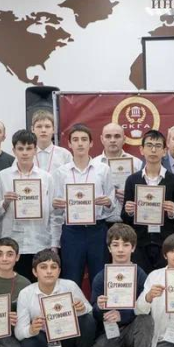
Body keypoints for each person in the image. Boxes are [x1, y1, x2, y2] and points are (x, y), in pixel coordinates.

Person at [15, 248, 97, 347]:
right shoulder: (25, 293)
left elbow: (90, 311)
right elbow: (19, 332)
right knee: (27, 343)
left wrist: (81, 308)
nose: (49, 271)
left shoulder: (70, 286)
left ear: (59, 271)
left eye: (53, 267)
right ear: (34, 272)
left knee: (88, 321)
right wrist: (31, 329)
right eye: (43, 267)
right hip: (45, 340)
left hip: (68, 336)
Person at [87, 224, 152, 347]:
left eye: (126, 245)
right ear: (109, 248)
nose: (121, 250)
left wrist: (122, 315)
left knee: (146, 319)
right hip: (109, 330)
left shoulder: (140, 275)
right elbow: (94, 314)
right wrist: (100, 307)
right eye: (115, 245)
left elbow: (145, 307)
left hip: (132, 328)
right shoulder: (101, 277)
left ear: (133, 248)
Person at [54, 124, 115, 293]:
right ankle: (72, 311)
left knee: (100, 278)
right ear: (69, 144)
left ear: (91, 143)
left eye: (84, 139)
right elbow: (56, 210)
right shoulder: (61, 172)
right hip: (72, 232)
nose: (80, 143)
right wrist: (57, 206)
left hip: (97, 230)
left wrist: (107, 203)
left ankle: (100, 310)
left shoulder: (103, 169)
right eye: (75, 140)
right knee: (71, 279)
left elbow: (111, 204)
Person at [0, 129, 61, 281]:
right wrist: (5, 202)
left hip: (40, 242)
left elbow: (54, 214)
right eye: (20, 148)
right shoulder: (3, 176)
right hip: (12, 244)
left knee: (39, 288)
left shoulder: (46, 178)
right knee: (15, 288)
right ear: (14, 150)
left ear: (35, 150)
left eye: (29, 148)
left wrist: (54, 244)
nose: (25, 153)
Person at [121, 130, 174, 272]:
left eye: (158, 146)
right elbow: (124, 217)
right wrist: (129, 211)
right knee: (141, 281)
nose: (153, 150)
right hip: (139, 243)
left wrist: (172, 213)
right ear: (141, 150)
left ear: (164, 151)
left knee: (163, 281)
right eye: (149, 145)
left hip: (165, 243)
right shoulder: (132, 180)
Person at [95, 121, 143, 225]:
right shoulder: (93, 165)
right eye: (108, 136)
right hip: (102, 223)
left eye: (117, 136)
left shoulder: (137, 164)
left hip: (130, 222)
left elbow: (145, 193)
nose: (112, 140)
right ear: (102, 139)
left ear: (124, 139)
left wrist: (131, 196)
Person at [31, 109, 73, 179]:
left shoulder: (65, 154)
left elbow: (72, 178)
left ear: (54, 129)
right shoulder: (25, 154)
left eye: (47, 126)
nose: (43, 130)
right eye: (39, 126)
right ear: (32, 129)